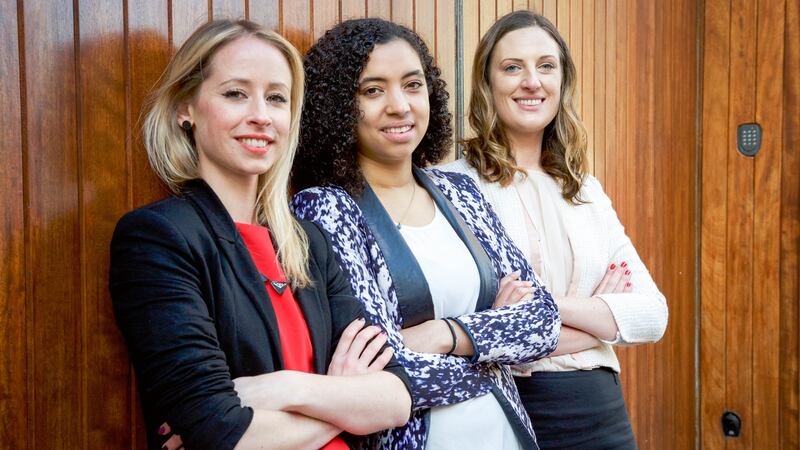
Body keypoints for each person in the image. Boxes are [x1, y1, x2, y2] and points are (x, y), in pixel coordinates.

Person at [109, 19, 412, 450]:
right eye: (235, 93)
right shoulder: (158, 237)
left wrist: (288, 388)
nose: (260, 116)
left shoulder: (310, 244)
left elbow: (397, 399)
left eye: (276, 98)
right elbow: (221, 433)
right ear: (185, 107)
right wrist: (344, 404)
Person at [291, 18, 560, 450]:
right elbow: (384, 369)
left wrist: (444, 334)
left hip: (508, 434)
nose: (400, 105)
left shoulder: (460, 191)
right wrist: (493, 339)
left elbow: (543, 321)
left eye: (413, 85)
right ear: (339, 107)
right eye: (373, 90)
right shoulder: (325, 208)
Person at [443, 11, 669, 449]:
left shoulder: (584, 191)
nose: (532, 81)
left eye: (546, 66)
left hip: (600, 415)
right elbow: (463, 332)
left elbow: (652, 314)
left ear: (562, 82)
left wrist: (534, 313)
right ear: (487, 84)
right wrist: (596, 316)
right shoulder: (451, 187)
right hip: (501, 409)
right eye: (513, 67)